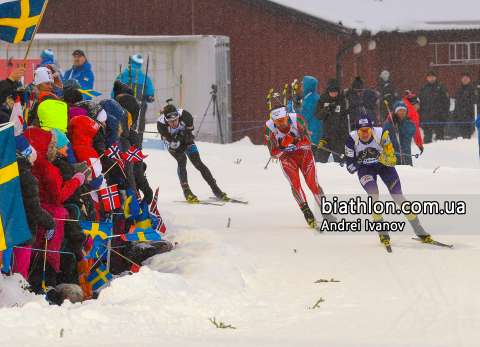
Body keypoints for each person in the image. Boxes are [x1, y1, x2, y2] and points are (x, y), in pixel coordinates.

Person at [344, 115, 431, 248]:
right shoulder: (351, 139)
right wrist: (360, 159)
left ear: (372, 129)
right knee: (373, 194)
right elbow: (350, 169)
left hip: (384, 167)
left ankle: (419, 230)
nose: (365, 134)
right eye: (361, 131)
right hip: (365, 169)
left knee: (398, 196)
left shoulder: (382, 134)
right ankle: (382, 231)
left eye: (367, 130)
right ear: (357, 131)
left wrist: (378, 155)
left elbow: (392, 160)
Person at [265, 105, 336, 229]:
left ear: (287, 116)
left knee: (312, 184)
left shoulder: (297, 120)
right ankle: (306, 211)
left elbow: (308, 144)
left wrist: (295, 141)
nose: (281, 124)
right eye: (277, 122)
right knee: (295, 183)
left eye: (283, 120)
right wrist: (281, 146)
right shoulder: (269, 128)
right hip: (287, 158)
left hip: (304, 155)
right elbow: (273, 155)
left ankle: (326, 212)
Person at [157, 102, 228, 202]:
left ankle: (216, 189)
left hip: (185, 140)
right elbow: (171, 142)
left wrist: (183, 135)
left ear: (178, 116)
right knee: (182, 160)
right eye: (171, 121)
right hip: (172, 143)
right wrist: (176, 137)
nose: (174, 123)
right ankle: (187, 192)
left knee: (198, 163)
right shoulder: (161, 124)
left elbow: (191, 136)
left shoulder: (186, 116)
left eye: (176, 119)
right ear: (166, 120)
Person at [112, 54, 155, 138]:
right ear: (140, 65)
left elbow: (113, 95)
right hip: (139, 110)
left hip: (121, 110)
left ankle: (122, 148)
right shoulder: (145, 78)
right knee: (137, 133)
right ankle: (136, 149)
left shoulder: (120, 77)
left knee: (122, 132)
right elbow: (151, 98)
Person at [314, 78, 349, 163]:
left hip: (340, 136)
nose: (333, 94)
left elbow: (349, 113)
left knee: (341, 161)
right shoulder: (323, 98)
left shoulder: (343, 99)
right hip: (327, 134)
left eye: (335, 92)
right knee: (319, 158)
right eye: (331, 92)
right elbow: (317, 115)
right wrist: (326, 110)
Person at [418, 70, 450, 143]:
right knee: (427, 138)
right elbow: (420, 105)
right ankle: (427, 153)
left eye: (433, 77)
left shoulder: (441, 88)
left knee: (440, 139)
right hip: (427, 118)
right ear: (427, 78)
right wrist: (420, 117)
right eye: (429, 77)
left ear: (435, 77)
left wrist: (444, 115)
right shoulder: (423, 89)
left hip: (439, 118)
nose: (431, 79)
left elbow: (446, 103)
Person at [383, 101, 417, 166]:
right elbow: (384, 136)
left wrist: (401, 125)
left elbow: (410, 134)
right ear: (395, 112)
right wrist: (391, 126)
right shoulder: (388, 123)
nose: (402, 113)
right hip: (392, 158)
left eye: (404, 111)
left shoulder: (410, 123)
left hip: (406, 159)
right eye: (400, 110)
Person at [299, 76, 322, 162]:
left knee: (311, 161)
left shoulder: (310, 100)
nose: (301, 88)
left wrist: (292, 110)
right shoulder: (315, 97)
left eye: (302, 85)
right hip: (316, 134)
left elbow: (303, 118)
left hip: (312, 135)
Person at [453, 72, 479, 139]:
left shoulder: (473, 90)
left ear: (469, 79)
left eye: (466, 78)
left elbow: (475, 103)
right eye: (463, 78)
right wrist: (455, 115)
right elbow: (457, 104)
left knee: (469, 138)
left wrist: (471, 115)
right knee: (462, 137)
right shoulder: (459, 91)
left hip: (469, 118)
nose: (465, 79)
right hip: (460, 118)